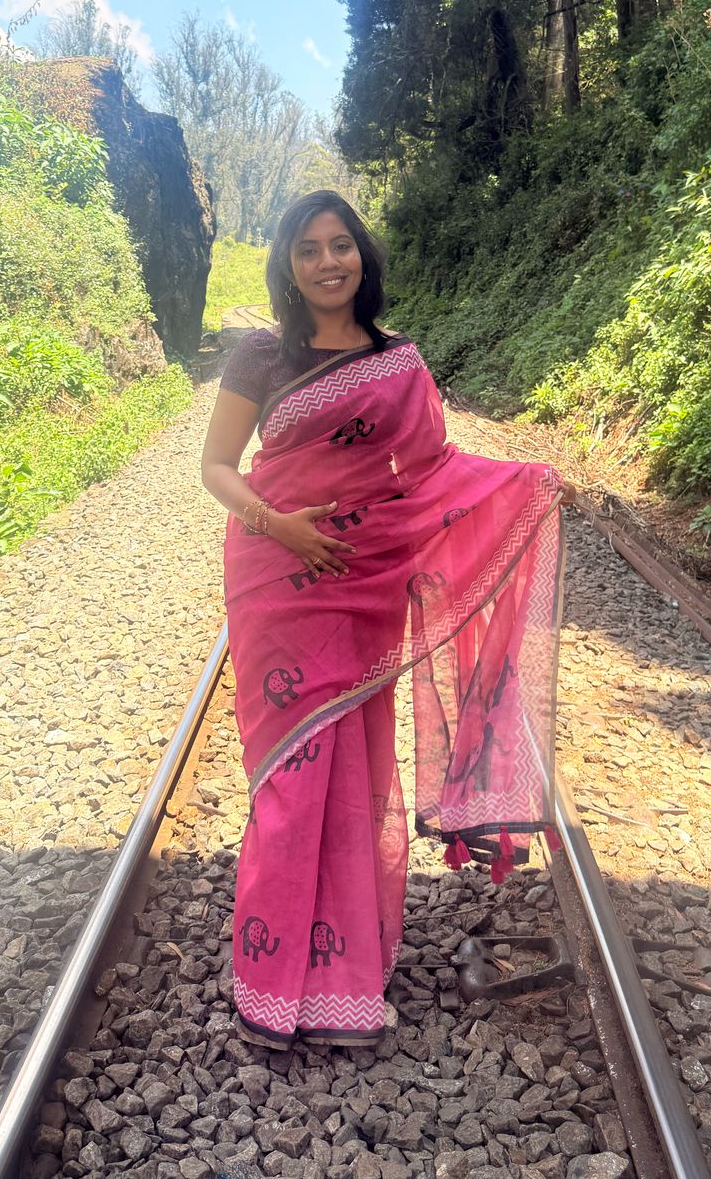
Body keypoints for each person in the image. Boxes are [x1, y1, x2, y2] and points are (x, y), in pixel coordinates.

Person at [201, 190, 570, 1048]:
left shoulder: (399, 363)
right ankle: (271, 989)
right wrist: (279, 525)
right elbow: (218, 467)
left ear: (363, 255)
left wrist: (526, 484)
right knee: (291, 779)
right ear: (288, 266)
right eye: (309, 250)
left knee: (355, 773)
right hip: (274, 581)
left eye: (342, 246)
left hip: (363, 586)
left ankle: (343, 982)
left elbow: (433, 473)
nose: (329, 263)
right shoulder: (262, 355)